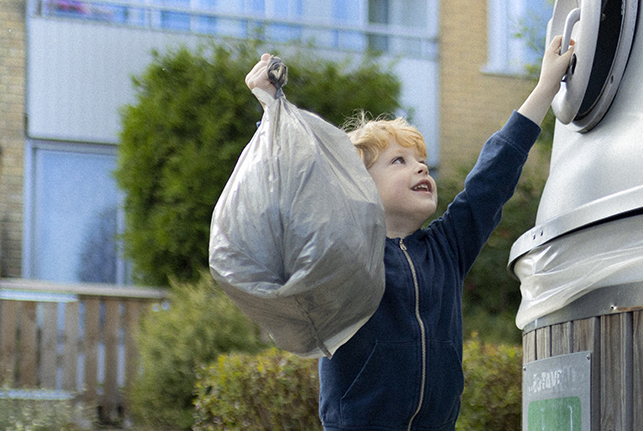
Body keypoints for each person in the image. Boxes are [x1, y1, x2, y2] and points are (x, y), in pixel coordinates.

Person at [242, 35, 576, 430]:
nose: (421, 168)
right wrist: (271, 108)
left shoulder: (447, 248)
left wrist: (544, 89)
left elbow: (492, 178)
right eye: (398, 161)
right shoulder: (344, 254)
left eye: (422, 160)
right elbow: (286, 195)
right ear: (358, 187)